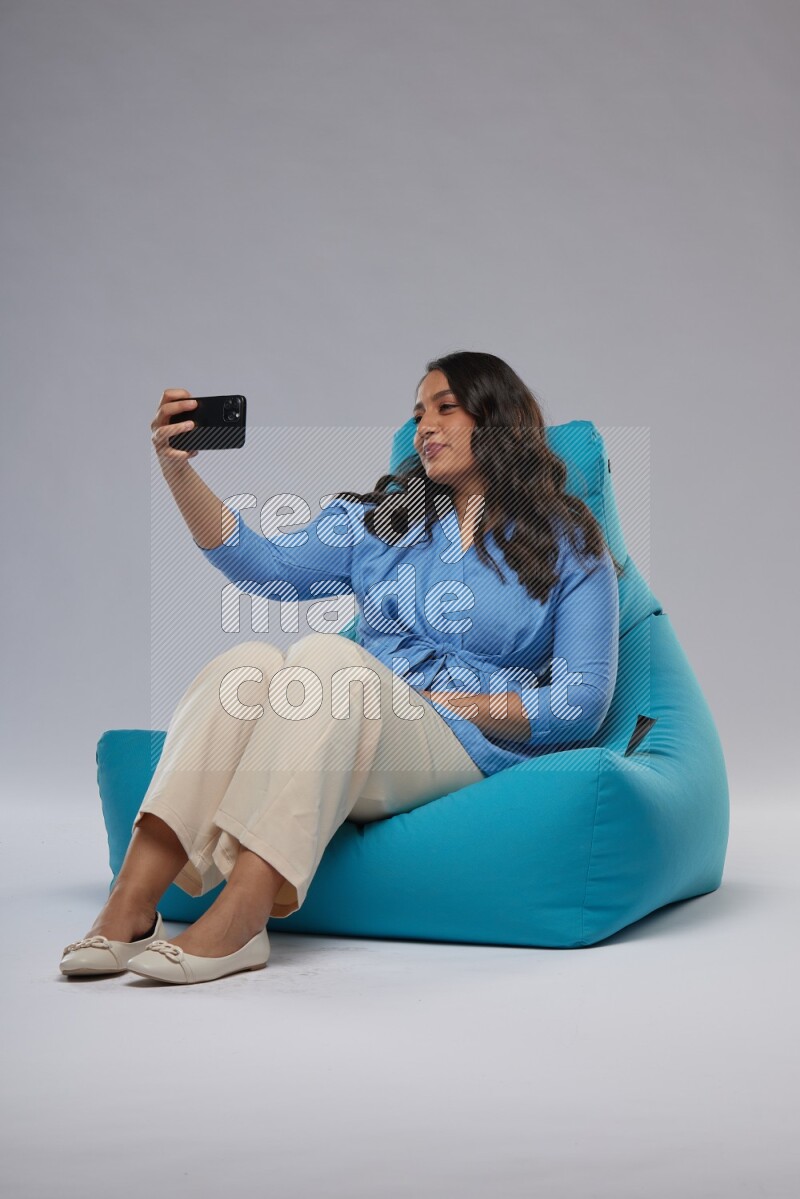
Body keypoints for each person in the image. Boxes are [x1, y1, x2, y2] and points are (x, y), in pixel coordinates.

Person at [59, 351, 623, 985]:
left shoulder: (571, 544)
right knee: (244, 665)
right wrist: (177, 471)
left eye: (445, 409)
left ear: (498, 420)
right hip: (349, 725)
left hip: (463, 747)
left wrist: (463, 707)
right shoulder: (387, 520)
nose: (424, 429)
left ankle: (242, 917)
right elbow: (262, 564)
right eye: (417, 415)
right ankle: (131, 906)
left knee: (329, 657)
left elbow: (582, 701)